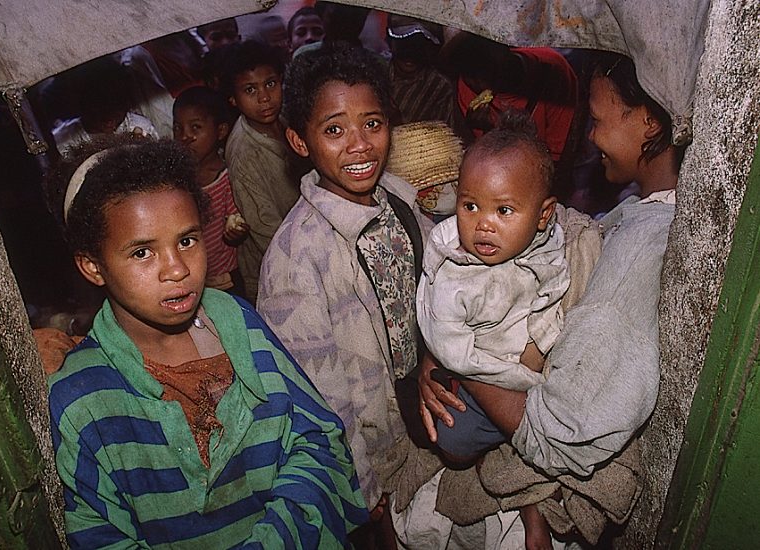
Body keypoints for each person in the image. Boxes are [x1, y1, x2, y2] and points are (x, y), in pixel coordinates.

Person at [414, 52, 683, 547]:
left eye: (598, 120)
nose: (590, 136)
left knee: (449, 440)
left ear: (648, 122)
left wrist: (464, 362)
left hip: (509, 393)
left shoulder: (641, 255)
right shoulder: (632, 212)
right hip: (501, 361)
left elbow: (559, 434)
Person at [45, 136, 368, 547]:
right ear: (93, 266)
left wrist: (276, 538)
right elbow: (98, 534)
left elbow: (315, 438)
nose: (177, 269)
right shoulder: (80, 399)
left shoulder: (239, 325)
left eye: (186, 240)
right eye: (143, 253)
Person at [257, 44, 434, 548]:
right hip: (370, 448)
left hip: (420, 407)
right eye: (334, 129)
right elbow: (317, 394)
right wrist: (359, 481)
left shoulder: (398, 194)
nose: (359, 145)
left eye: (372, 123)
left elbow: (431, 288)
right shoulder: (295, 259)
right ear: (299, 140)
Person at [415, 113, 568, 548]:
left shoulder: (549, 240)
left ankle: (529, 500)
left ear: (543, 216)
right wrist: (524, 379)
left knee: (551, 431)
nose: (483, 223)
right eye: (470, 206)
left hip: (521, 355)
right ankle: (521, 486)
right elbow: (454, 354)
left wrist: (542, 339)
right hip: (474, 369)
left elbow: (555, 286)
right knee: (453, 440)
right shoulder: (453, 274)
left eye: (503, 210)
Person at [222, 40, 307, 303]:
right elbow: (263, 227)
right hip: (278, 264)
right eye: (250, 90)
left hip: (304, 240)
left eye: (270, 83)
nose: (264, 97)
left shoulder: (285, 121)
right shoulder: (243, 152)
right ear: (233, 99)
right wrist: (308, 259)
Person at [441, 32, 577, 162]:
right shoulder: (467, 86)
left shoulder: (553, 71)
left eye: (487, 64)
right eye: (471, 71)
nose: (479, 81)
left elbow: (560, 156)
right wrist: (483, 130)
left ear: (506, 47)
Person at [173, 86, 249, 295]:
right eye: (178, 128)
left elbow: (237, 221)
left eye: (195, 128)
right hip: (189, 279)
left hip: (225, 280)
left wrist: (235, 231)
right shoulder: (177, 178)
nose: (185, 136)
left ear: (220, 131)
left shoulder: (227, 179)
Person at [51, 56, 158, 155]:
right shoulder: (64, 140)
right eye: (100, 107)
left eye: (117, 105)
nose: (109, 117)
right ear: (83, 105)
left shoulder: (141, 127)